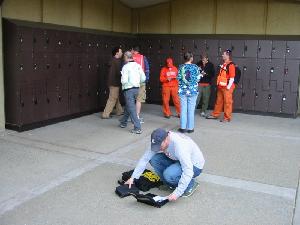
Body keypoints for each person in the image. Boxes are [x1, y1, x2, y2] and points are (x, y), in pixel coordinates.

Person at [125, 128, 205, 201]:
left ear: (166, 139)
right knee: (154, 159)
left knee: (169, 174)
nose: (158, 148)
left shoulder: (180, 146)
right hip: (177, 159)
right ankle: (168, 183)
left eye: (159, 146)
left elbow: (188, 171)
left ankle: (190, 185)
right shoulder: (157, 140)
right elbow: (145, 159)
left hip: (194, 166)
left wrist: (177, 193)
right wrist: (133, 178)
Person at [119, 51, 146, 134]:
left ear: (126, 57)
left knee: (131, 108)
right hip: (137, 89)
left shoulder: (125, 67)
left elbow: (124, 81)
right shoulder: (138, 66)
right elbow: (143, 78)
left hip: (128, 90)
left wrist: (122, 76)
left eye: (124, 57)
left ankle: (137, 128)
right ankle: (123, 122)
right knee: (128, 106)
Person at [206, 49, 235, 122]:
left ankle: (227, 118)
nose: (222, 55)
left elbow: (232, 78)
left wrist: (228, 87)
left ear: (227, 55)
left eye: (223, 54)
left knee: (227, 103)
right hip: (221, 87)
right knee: (218, 101)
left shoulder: (231, 65)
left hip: (227, 88)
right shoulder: (224, 64)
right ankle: (215, 114)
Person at [177, 52, 201, 133]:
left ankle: (183, 128)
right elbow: (198, 79)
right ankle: (190, 128)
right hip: (193, 91)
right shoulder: (195, 67)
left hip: (183, 91)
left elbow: (178, 79)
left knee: (183, 109)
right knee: (191, 110)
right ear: (191, 58)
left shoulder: (181, 67)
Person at [102, 47, 124, 119]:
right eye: (121, 52)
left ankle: (119, 111)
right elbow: (119, 73)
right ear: (117, 53)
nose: (122, 53)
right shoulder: (117, 61)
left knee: (115, 97)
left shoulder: (112, 60)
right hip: (114, 82)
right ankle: (105, 114)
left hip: (111, 82)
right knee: (112, 98)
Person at [131, 46, 150, 123]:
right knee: (139, 99)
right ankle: (137, 116)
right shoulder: (143, 57)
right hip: (141, 81)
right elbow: (147, 69)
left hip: (131, 81)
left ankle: (131, 116)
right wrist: (146, 79)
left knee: (131, 99)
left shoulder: (130, 57)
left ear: (133, 50)